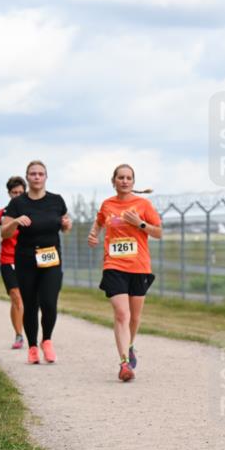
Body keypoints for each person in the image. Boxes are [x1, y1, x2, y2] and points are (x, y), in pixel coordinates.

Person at [88, 164, 161, 382]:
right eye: (121, 177)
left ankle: (129, 345)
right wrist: (93, 235)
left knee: (135, 317)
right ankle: (124, 364)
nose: (125, 181)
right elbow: (99, 221)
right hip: (114, 266)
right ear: (114, 181)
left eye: (129, 178)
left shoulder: (143, 204)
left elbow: (159, 232)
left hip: (139, 267)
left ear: (133, 182)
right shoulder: (107, 204)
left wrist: (139, 223)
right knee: (122, 314)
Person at [1, 160, 71, 364]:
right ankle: (32, 346)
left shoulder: (56, 201)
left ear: (46, 177)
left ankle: (46, 340)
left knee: (49, 302)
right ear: (27, 177)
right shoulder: (17, 203)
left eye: (41, 174)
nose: (37, 177)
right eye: (33, 174)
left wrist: (67, 224)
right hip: (26, 259)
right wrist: (15, 221)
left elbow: (65, 226)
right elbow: (4, 233)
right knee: (30, 304)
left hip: (51, 258)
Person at [0, 176, 27, 349]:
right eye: (14, 193)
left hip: (28, 259)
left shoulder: (32, 211)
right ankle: (19, 335)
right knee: (16, 297)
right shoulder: (2, 214)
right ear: (9, 193)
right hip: (8, 258)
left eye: (21, 192)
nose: (18, 195)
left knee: (29, 299)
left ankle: (35, 333)